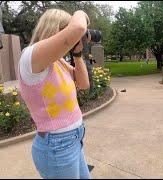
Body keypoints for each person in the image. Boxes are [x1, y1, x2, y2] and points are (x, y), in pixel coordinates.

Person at [18, 9, 91, 179]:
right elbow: (79, 27)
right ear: (55, 29)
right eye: (67, 29)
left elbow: (84, 84)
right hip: (57, 146)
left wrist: (77, 54)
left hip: (74, 139)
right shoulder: (31, 56)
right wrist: (80, 12)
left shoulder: (58, 61)